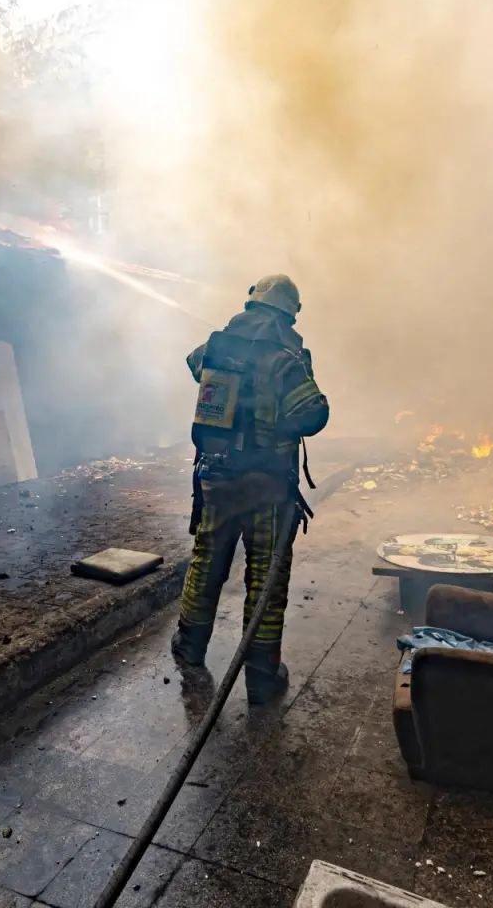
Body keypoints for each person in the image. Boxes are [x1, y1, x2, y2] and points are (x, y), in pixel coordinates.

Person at [173, 273, 330, 704]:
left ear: (251, 305)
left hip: (216, 481)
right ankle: (261, 676)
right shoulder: (285, 358)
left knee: (206, 563)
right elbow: (313, 414)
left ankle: (189, 648)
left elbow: (193, 365)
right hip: (265, 487)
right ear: (288, 314)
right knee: (266, 576)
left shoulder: (217, 345)